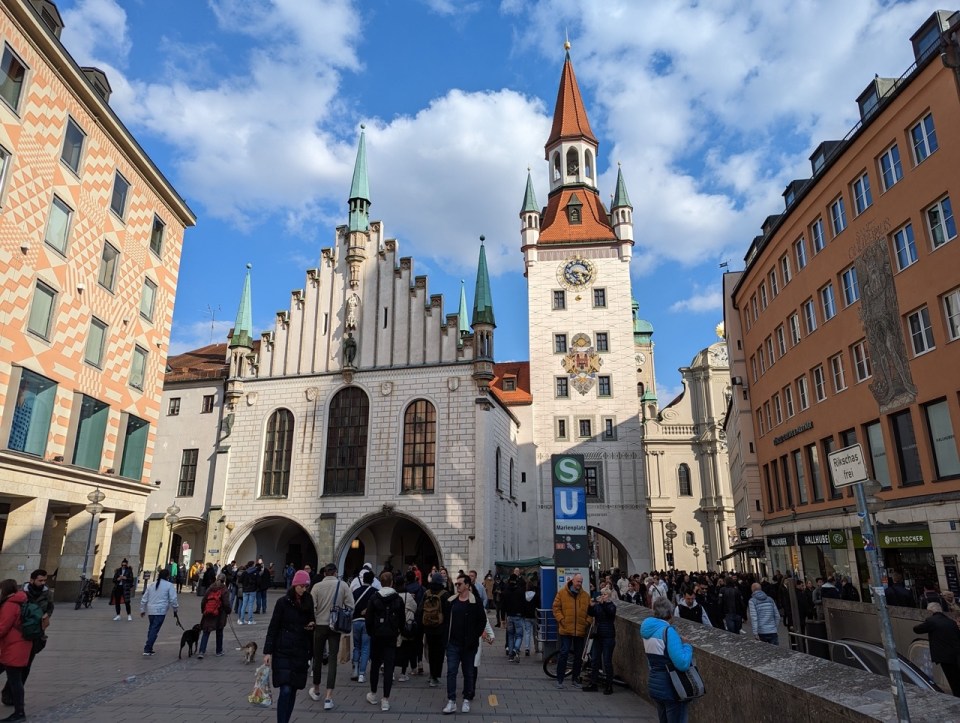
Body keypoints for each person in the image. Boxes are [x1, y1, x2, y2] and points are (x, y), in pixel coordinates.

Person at [263, 570, 315, 723]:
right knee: (285, 690)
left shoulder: (308, 600)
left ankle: (286, 719)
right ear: (295, 585)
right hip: (283, 650)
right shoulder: (283, 602)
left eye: (306, 586)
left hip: (300, 650)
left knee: (293, 690)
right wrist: (268, 652)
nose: (304, 589)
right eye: (302, 586)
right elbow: (273, 626)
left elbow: (311, 618)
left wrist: (311, 625)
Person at [1, 569, 53, 709]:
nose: (42, 583)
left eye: (44, 581)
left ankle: (12, 697)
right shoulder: (22, 595)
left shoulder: (47, 594)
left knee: (24, 668)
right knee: (11, 668)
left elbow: (50, 608)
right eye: (40, 580)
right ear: (32, 580)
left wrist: (46, 616)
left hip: (34, 636)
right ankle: (12, 698)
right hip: (19, 637)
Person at [641, 596, 695, 723]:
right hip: (672, 687)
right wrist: (687, 646)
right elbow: (682, 663)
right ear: (670, 613)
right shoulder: (667, 631)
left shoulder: (648, 630)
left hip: (656, 684)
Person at [308, 562, 353, 710]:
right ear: (335, 573)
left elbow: (311, 607)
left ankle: (316, 689)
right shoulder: (343, 585)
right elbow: (351, 606)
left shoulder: (317, 587)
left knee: (318, 657)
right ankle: (329, 697)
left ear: (325, 573)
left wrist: (316, 617)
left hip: (320, 625)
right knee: (333, 659)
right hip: (335, 626)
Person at [441, 573, 487, 714]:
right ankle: (451, 701)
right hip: (453, 644)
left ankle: (466, 699)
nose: (457, 586)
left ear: (467, 585)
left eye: (459, 584)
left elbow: (482, 621)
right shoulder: (451, 602)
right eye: (456, 584)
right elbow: (445, 621)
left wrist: (474, 637)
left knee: (468, 673)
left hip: (468, 645)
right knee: (451, 672)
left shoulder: (475, 602)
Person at [365, 571, 405, 712]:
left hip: (377, 636)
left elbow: (368, 619)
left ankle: (373, 693)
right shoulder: (398, 599)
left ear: (380, 582)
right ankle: (386, 699)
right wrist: (399, 631)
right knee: (389, 667)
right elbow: (402, 620)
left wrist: (371, 633)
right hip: (391, 636)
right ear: (392, 582)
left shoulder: (374, 597)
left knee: (375, 665)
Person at [551, 572, 591, 689]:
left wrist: (586, 622)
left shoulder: (585, 596)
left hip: (580, 629)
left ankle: (575, 679)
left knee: (578, 656)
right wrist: (561, 620)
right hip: (566, 629)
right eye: (578, 581)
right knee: (564, 653)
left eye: (581, 582)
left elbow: (590, 612)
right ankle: (560, 679)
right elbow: (556, 608)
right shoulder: (562, 593)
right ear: (572, 581)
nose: (579, 584)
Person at [0, 579, 31, 721]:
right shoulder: (20, 600)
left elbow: (3, 627)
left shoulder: (10, 605)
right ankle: (19, 712)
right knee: (15, 679)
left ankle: (19, 713)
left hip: (14, 646)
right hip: (18, 645)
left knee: (15, 681)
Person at [913, 602, 960, 696]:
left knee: (951, 678)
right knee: (956, 677)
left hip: (944, 655)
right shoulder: (950, 621)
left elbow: (917, 629)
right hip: (955, 654)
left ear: (930, 611)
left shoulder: (931, 621)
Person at [418, 572, 450, 687]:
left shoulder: (427, 593)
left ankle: (431, 674)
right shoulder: (445, 594)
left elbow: (420, 610)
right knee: (439, 653)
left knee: (431, 651)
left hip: (428, 628)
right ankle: (436, 675)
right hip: (440, 629)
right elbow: (448, 613)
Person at [584, 584, 617, 694]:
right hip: (598, 635)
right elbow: (590, 613)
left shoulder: (611, 605)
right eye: (601, 594)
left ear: (609, 596)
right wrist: (591, 605)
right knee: (595, 660)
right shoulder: (599, 606)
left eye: (605, 594)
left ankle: (609, 685)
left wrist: (603, 604)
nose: (603, 596)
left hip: (608, 636)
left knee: (607, 661)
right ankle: (593, 683)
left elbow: (610, 613)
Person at [138, 568, 179, 656]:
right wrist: (175, 609)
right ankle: (147, 648)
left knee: (152, 628)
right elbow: (173, 599)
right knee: (154, 629)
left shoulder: (151, 585)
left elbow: (144, 598)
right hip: (161, 610)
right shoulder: (169, 585)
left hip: (151, 610)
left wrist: (142, 609)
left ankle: (149, 646)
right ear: (167, 576)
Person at [351, 570, 376, 683]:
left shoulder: (355, 591)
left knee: (357, 646)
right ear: (372, 580)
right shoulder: (375, 592)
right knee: (366, 648)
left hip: (355, 621)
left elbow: (350, 606)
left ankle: (355, 670)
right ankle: (362, 674)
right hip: (368, 623)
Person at [197, 573, 229, 658]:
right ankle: (219, 651)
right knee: (219, 632)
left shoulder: (210, 588)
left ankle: (201, 651)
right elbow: (226, 603)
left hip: (208, 612)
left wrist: (203, 610)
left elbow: (204, 600)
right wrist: (228, 611)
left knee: (206, 632)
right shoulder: (224, 589)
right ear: (224, 580)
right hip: (219, 613)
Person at [501, 574, 525, 662]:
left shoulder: (505, 591)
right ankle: (516, 649)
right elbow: (523, 604)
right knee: (519, 635)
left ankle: (511, 655)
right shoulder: (520, 591)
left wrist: (502, 618)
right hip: (518, 616)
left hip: (509, 616)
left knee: (510, 635)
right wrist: (523, 614)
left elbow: (502, 606)